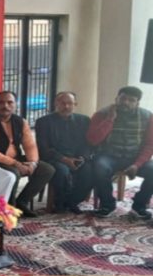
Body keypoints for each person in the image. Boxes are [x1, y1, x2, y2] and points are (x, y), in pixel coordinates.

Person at [0, 90, 55, 217]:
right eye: (1, 102)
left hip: (16, 158)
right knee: (14, 172)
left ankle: (21, 202)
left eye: (10, 102)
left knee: (47, 169)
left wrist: (33, 163)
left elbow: (30, 145)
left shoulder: (21, 121)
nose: (5, 106)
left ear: (15, 105)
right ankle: (9, 208)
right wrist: (15, 163)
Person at [87, 86, 153, 219]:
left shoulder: (148, 116)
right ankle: (107, 205)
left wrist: (137, 164)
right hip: (109, 155)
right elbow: (92, 140)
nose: (126, 102)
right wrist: (110, 119)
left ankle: (139, 206)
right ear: (116, 99)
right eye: (123, 99)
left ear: (137, 103)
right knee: (99, 167)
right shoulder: (101, 114)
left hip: (134, 157)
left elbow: (150, 144)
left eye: (131, 100)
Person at [35, 91, 93, 214]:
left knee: (90, 171)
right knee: (62, 171)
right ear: (56, 103)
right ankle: (60, 203)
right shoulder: (43, 122)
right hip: (54, 158)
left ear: (75, 104)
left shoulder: (84, 120)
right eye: (63, 103)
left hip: (78, 158)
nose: (66, 107)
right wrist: (64, 159)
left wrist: (82, 157)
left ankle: (73, 202)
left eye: (70, 103)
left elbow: (88, 144)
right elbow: (43, 148)